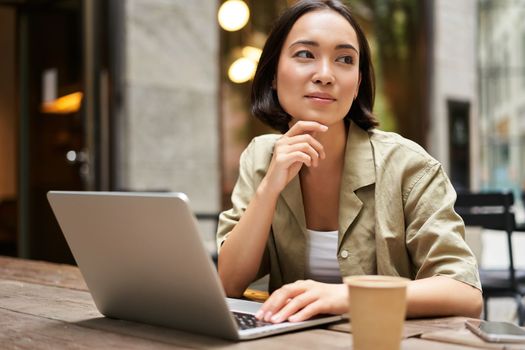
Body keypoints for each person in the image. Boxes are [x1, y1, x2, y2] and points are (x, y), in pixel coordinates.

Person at [217, 0, 482, 324]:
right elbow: (229, 284)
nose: (325, 75)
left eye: (344, 59)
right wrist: (269, 188)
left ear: (357, 84)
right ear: (273, 74)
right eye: (305, 54)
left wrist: (348, 296)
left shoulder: (408, 166)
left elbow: (464, 292)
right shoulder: (260, 157)